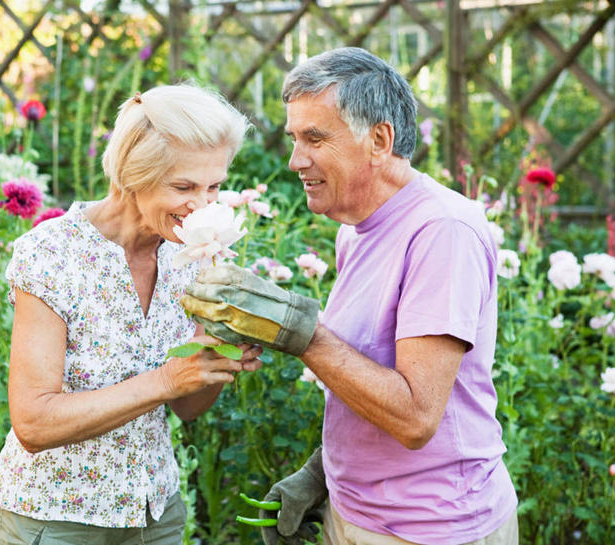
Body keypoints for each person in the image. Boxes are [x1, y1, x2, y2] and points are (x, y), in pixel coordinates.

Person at [182, 47, 518, 545]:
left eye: (315, 138)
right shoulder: (356, 229)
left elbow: (415, 417)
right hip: (359, 515)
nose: (296, 160)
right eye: (295, 138)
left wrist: (303, 335)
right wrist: (320, 477)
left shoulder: (442, 232)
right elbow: (366, 376)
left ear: (379, 140)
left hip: (432, 527)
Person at [0, 83, 262, 545]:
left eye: (215, 186)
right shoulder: (53, 254)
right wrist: (168, 379)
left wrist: (219, 354)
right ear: (132, 175)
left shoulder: (190, 257)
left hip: (156, 515)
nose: (204, 205)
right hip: (54, 517)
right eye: (184, 186)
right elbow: (33, 422)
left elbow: (188, 408)